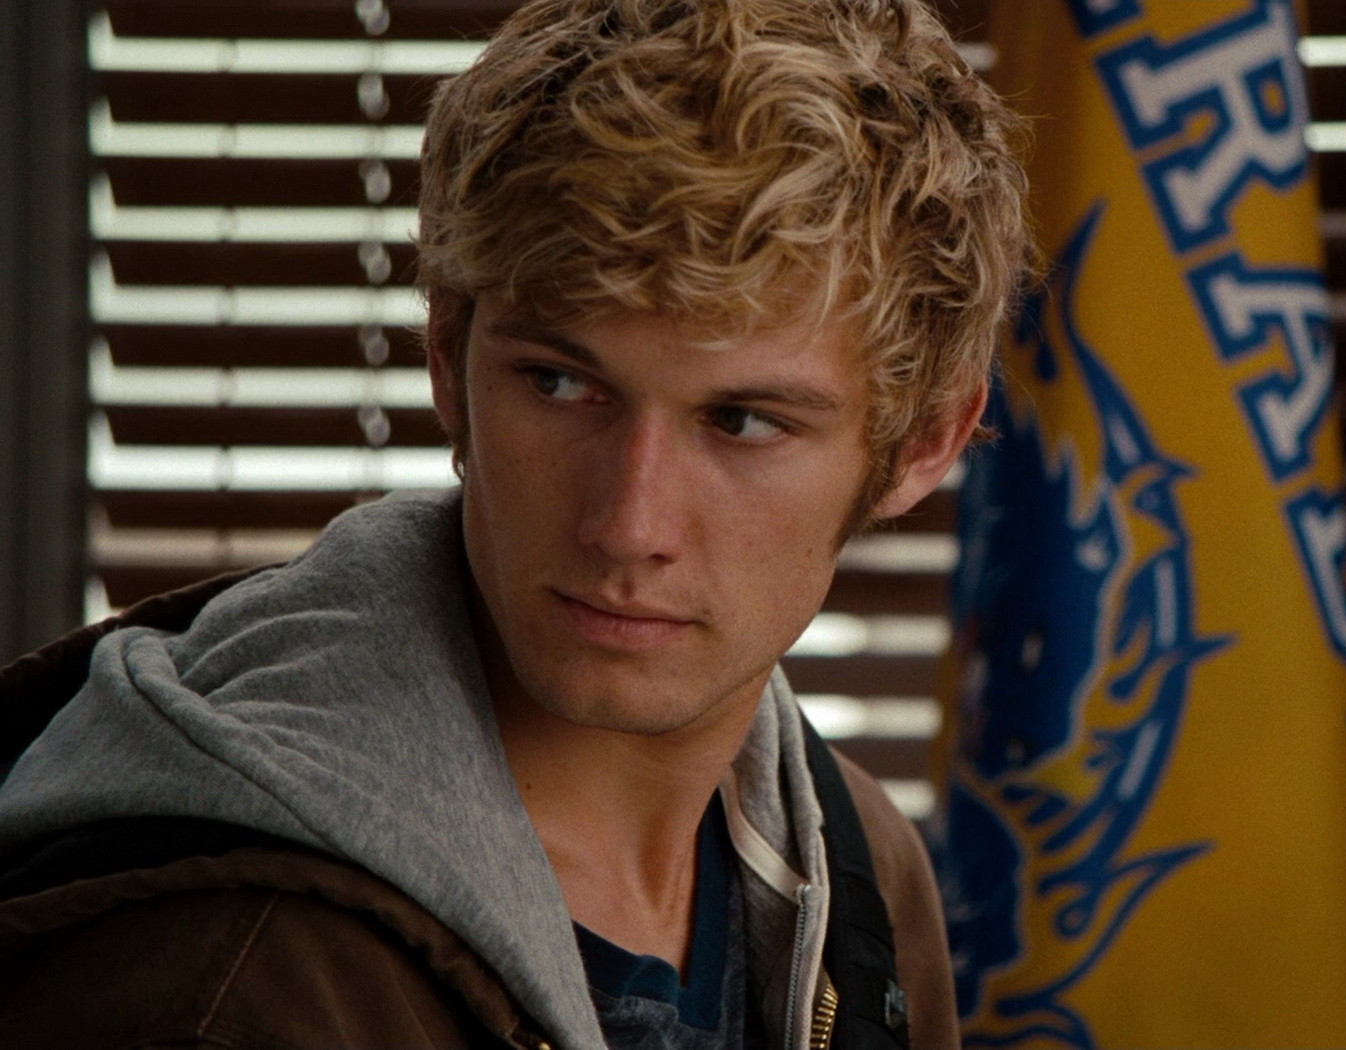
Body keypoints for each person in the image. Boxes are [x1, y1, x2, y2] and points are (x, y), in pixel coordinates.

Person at [0, 0, 1028, 1047]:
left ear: (923, 444)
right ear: (447, 355)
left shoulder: (861, 874)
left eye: (744, 422)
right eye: (559, 383)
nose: (627, 525)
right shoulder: (226, 980)